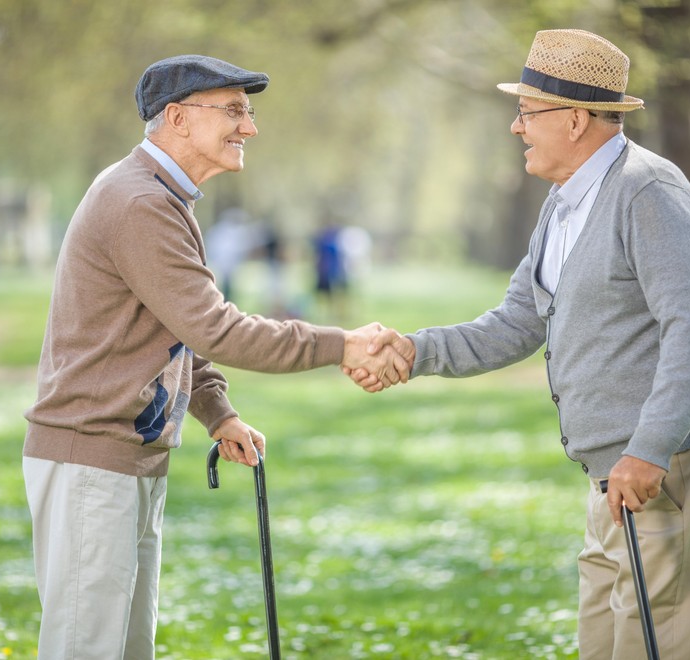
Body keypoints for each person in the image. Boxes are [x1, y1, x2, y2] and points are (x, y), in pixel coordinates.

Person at [352, 29, 690, 659]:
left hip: (671, 470)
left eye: (527, 113)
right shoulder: (565, 204)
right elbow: (517, 322)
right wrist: (413, 351)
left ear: (577, 119)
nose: (516, 128)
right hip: (613, 478)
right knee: (602, 648)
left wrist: (649, 450)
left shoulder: (649, 194)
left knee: (654, 649)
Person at [22, 54, 408, 659]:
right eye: (233, 111)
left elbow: (177, 329)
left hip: (124, 459)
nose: (249, 127)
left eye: (247, 113)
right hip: (91, 460)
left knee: (125, 650)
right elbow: (218, 328)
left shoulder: (162, 198)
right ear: (177, 118)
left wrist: (217, 412)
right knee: (84, 649)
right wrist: (342, 345)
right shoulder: (139, 203)